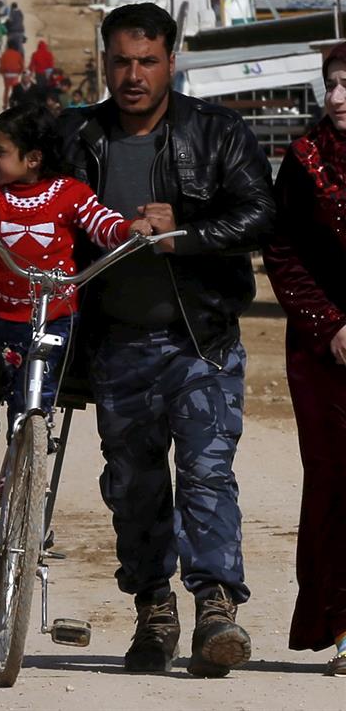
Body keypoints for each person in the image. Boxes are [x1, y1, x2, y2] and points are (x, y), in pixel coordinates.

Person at [0, 2, 276, 678]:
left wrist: (187, 226)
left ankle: (215, 610)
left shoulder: (217, 132)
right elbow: (6, 163)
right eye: (121, 60)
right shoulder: (75, 132)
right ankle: (154, 613)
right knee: (134, 485)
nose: (134, 74)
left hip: (200, 337)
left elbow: (260, 213)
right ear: (106, 61)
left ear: (171, 61)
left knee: (206, 472)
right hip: (116, 345)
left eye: (148, 60)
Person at [0, 107, 150, 420]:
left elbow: (102, 224)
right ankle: (21, 445)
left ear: (32, 159)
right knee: (20, 389)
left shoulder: (71, 193)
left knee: (40, 388)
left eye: (0, 152)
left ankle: (37, 436)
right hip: (7, 316)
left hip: (57, 315)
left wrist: (129, 229)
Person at [262, 42, 346, 673]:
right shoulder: (303, 159)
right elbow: (283, 252)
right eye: (331, 84)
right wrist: (329, 323)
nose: (337, 97)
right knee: (335, 482)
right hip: (324, 352)